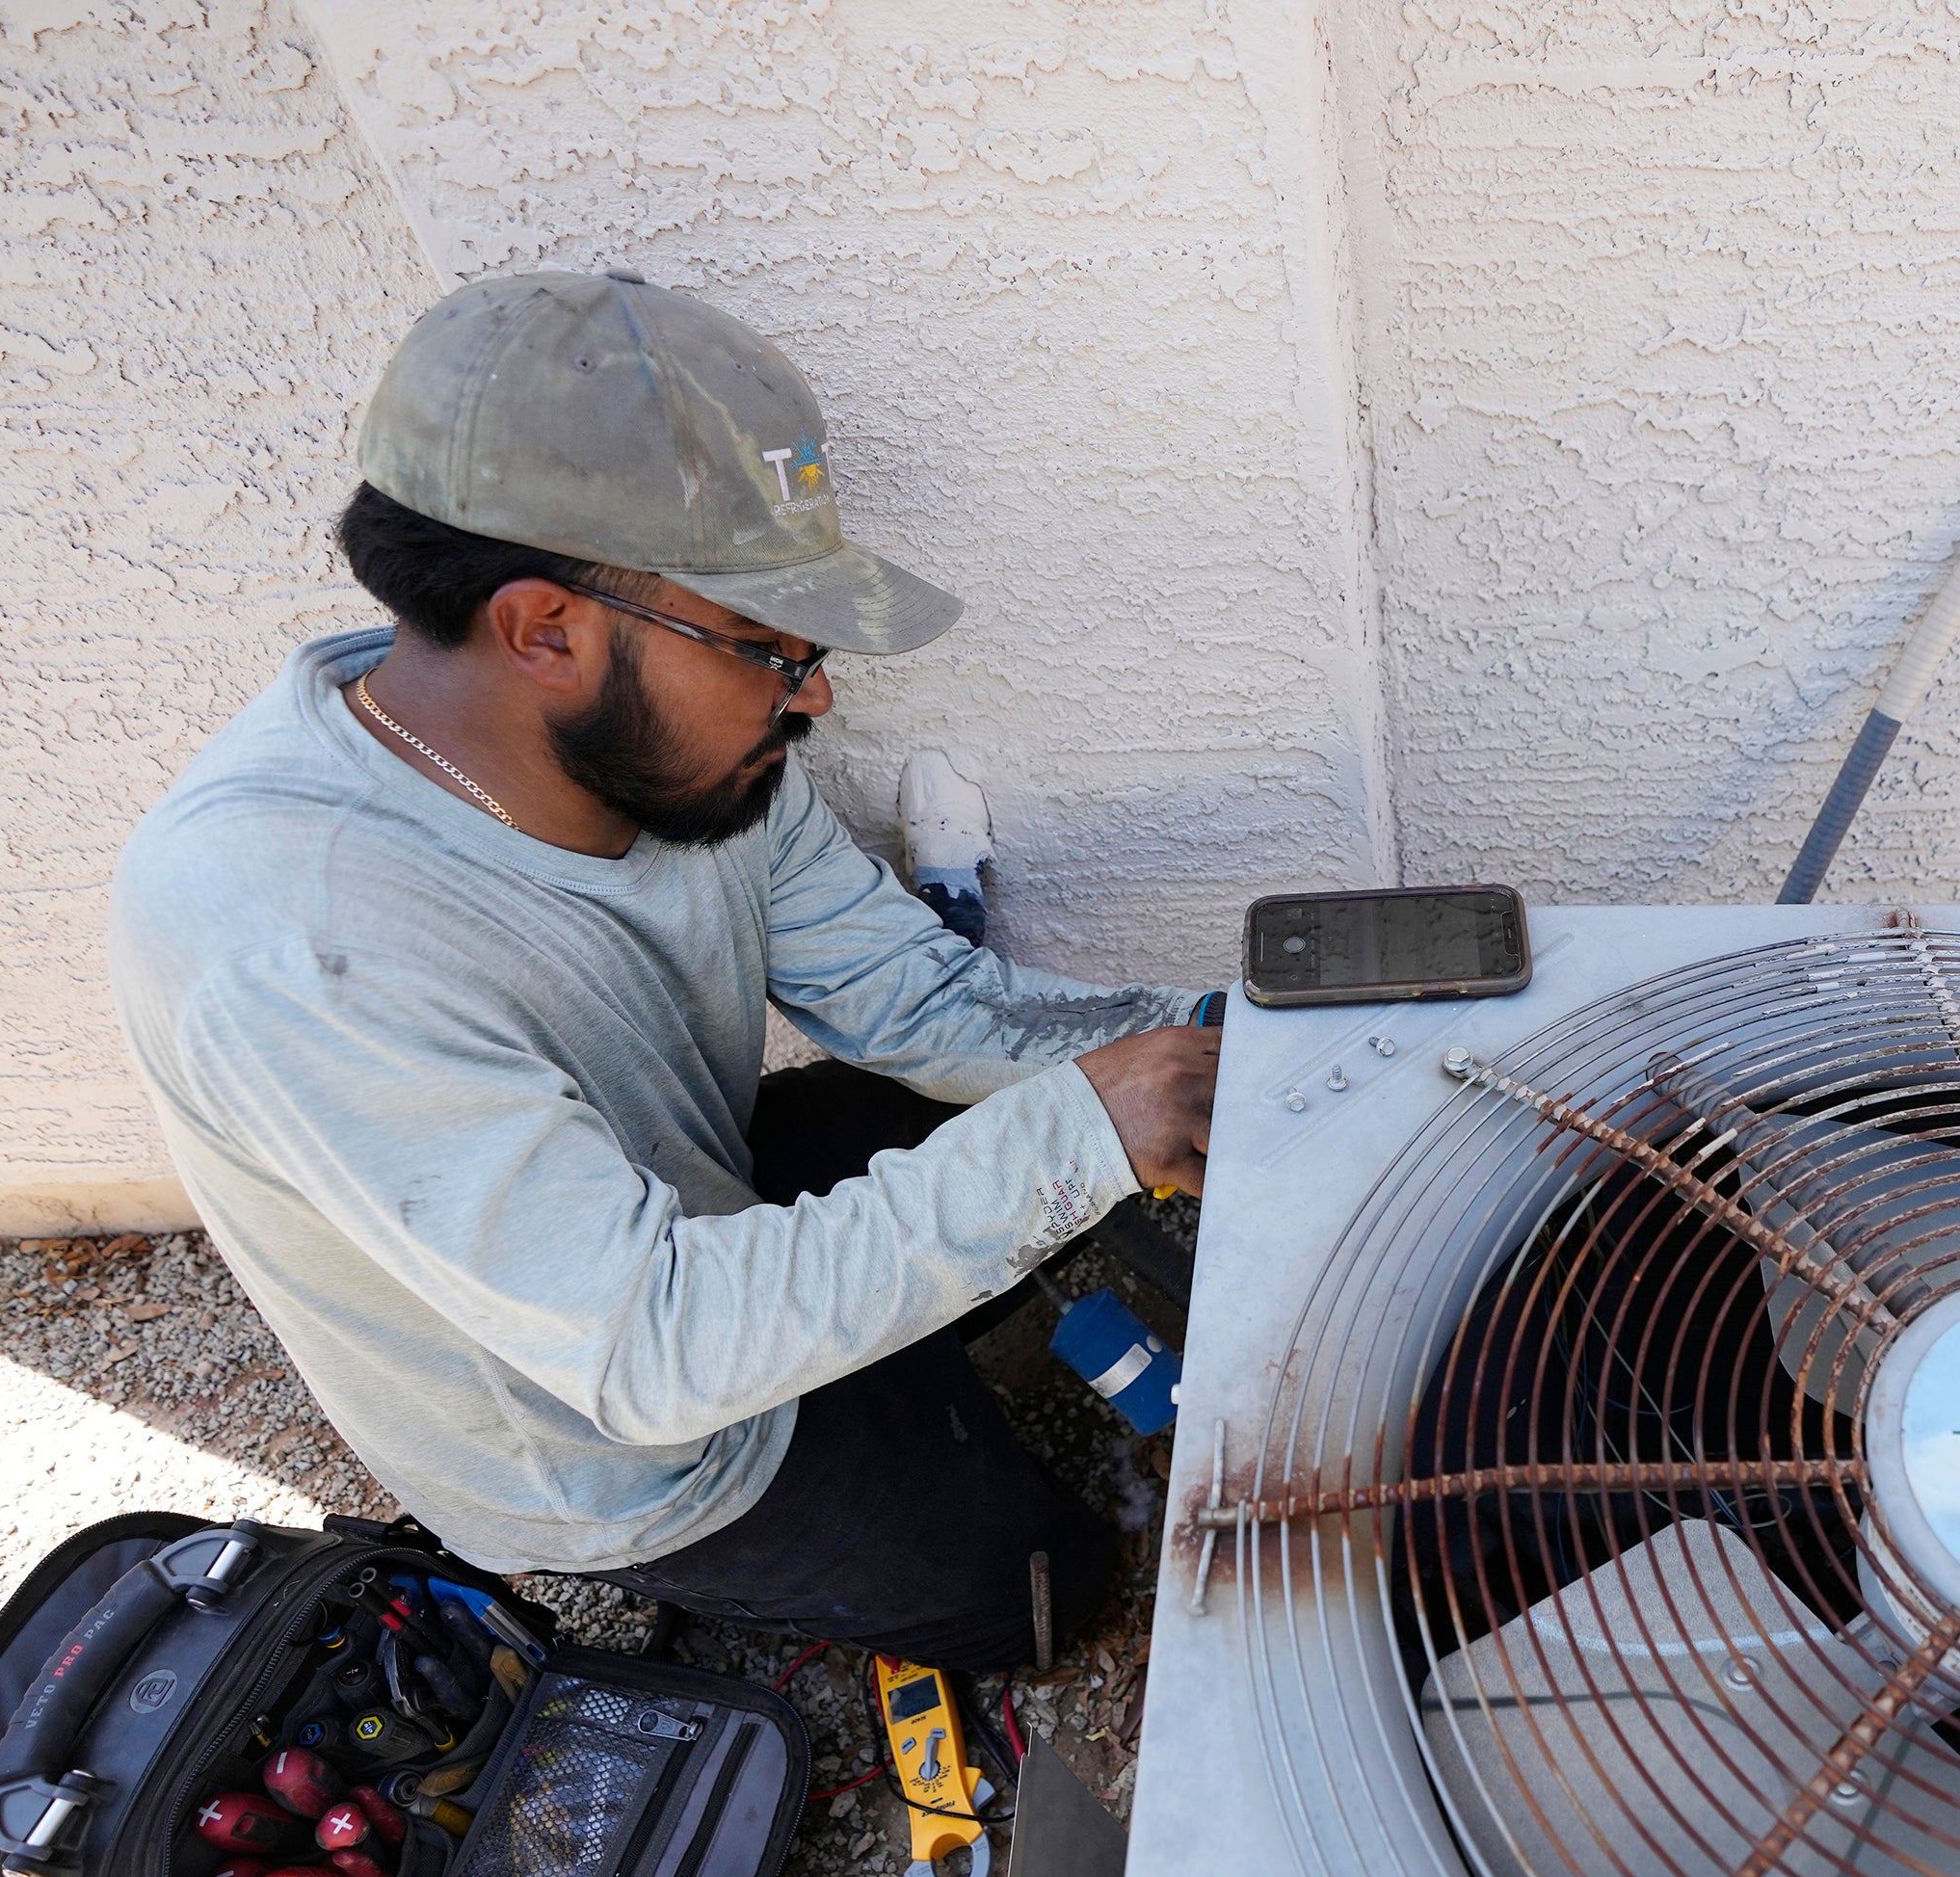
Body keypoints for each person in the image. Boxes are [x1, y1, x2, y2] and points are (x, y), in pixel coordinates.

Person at [108, 272, 1219, 1671]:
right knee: (1048, 1590)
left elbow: (919, 1003)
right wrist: (1081, 1134)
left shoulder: (671, 753)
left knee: (1011, 1131)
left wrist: (1225, 1041)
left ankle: (897, 1328)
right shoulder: (291, 946)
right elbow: (653, 1351)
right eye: (767, 646)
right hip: (616, 1428)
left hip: (689, 1208)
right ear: (546, 633)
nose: (812, 693)